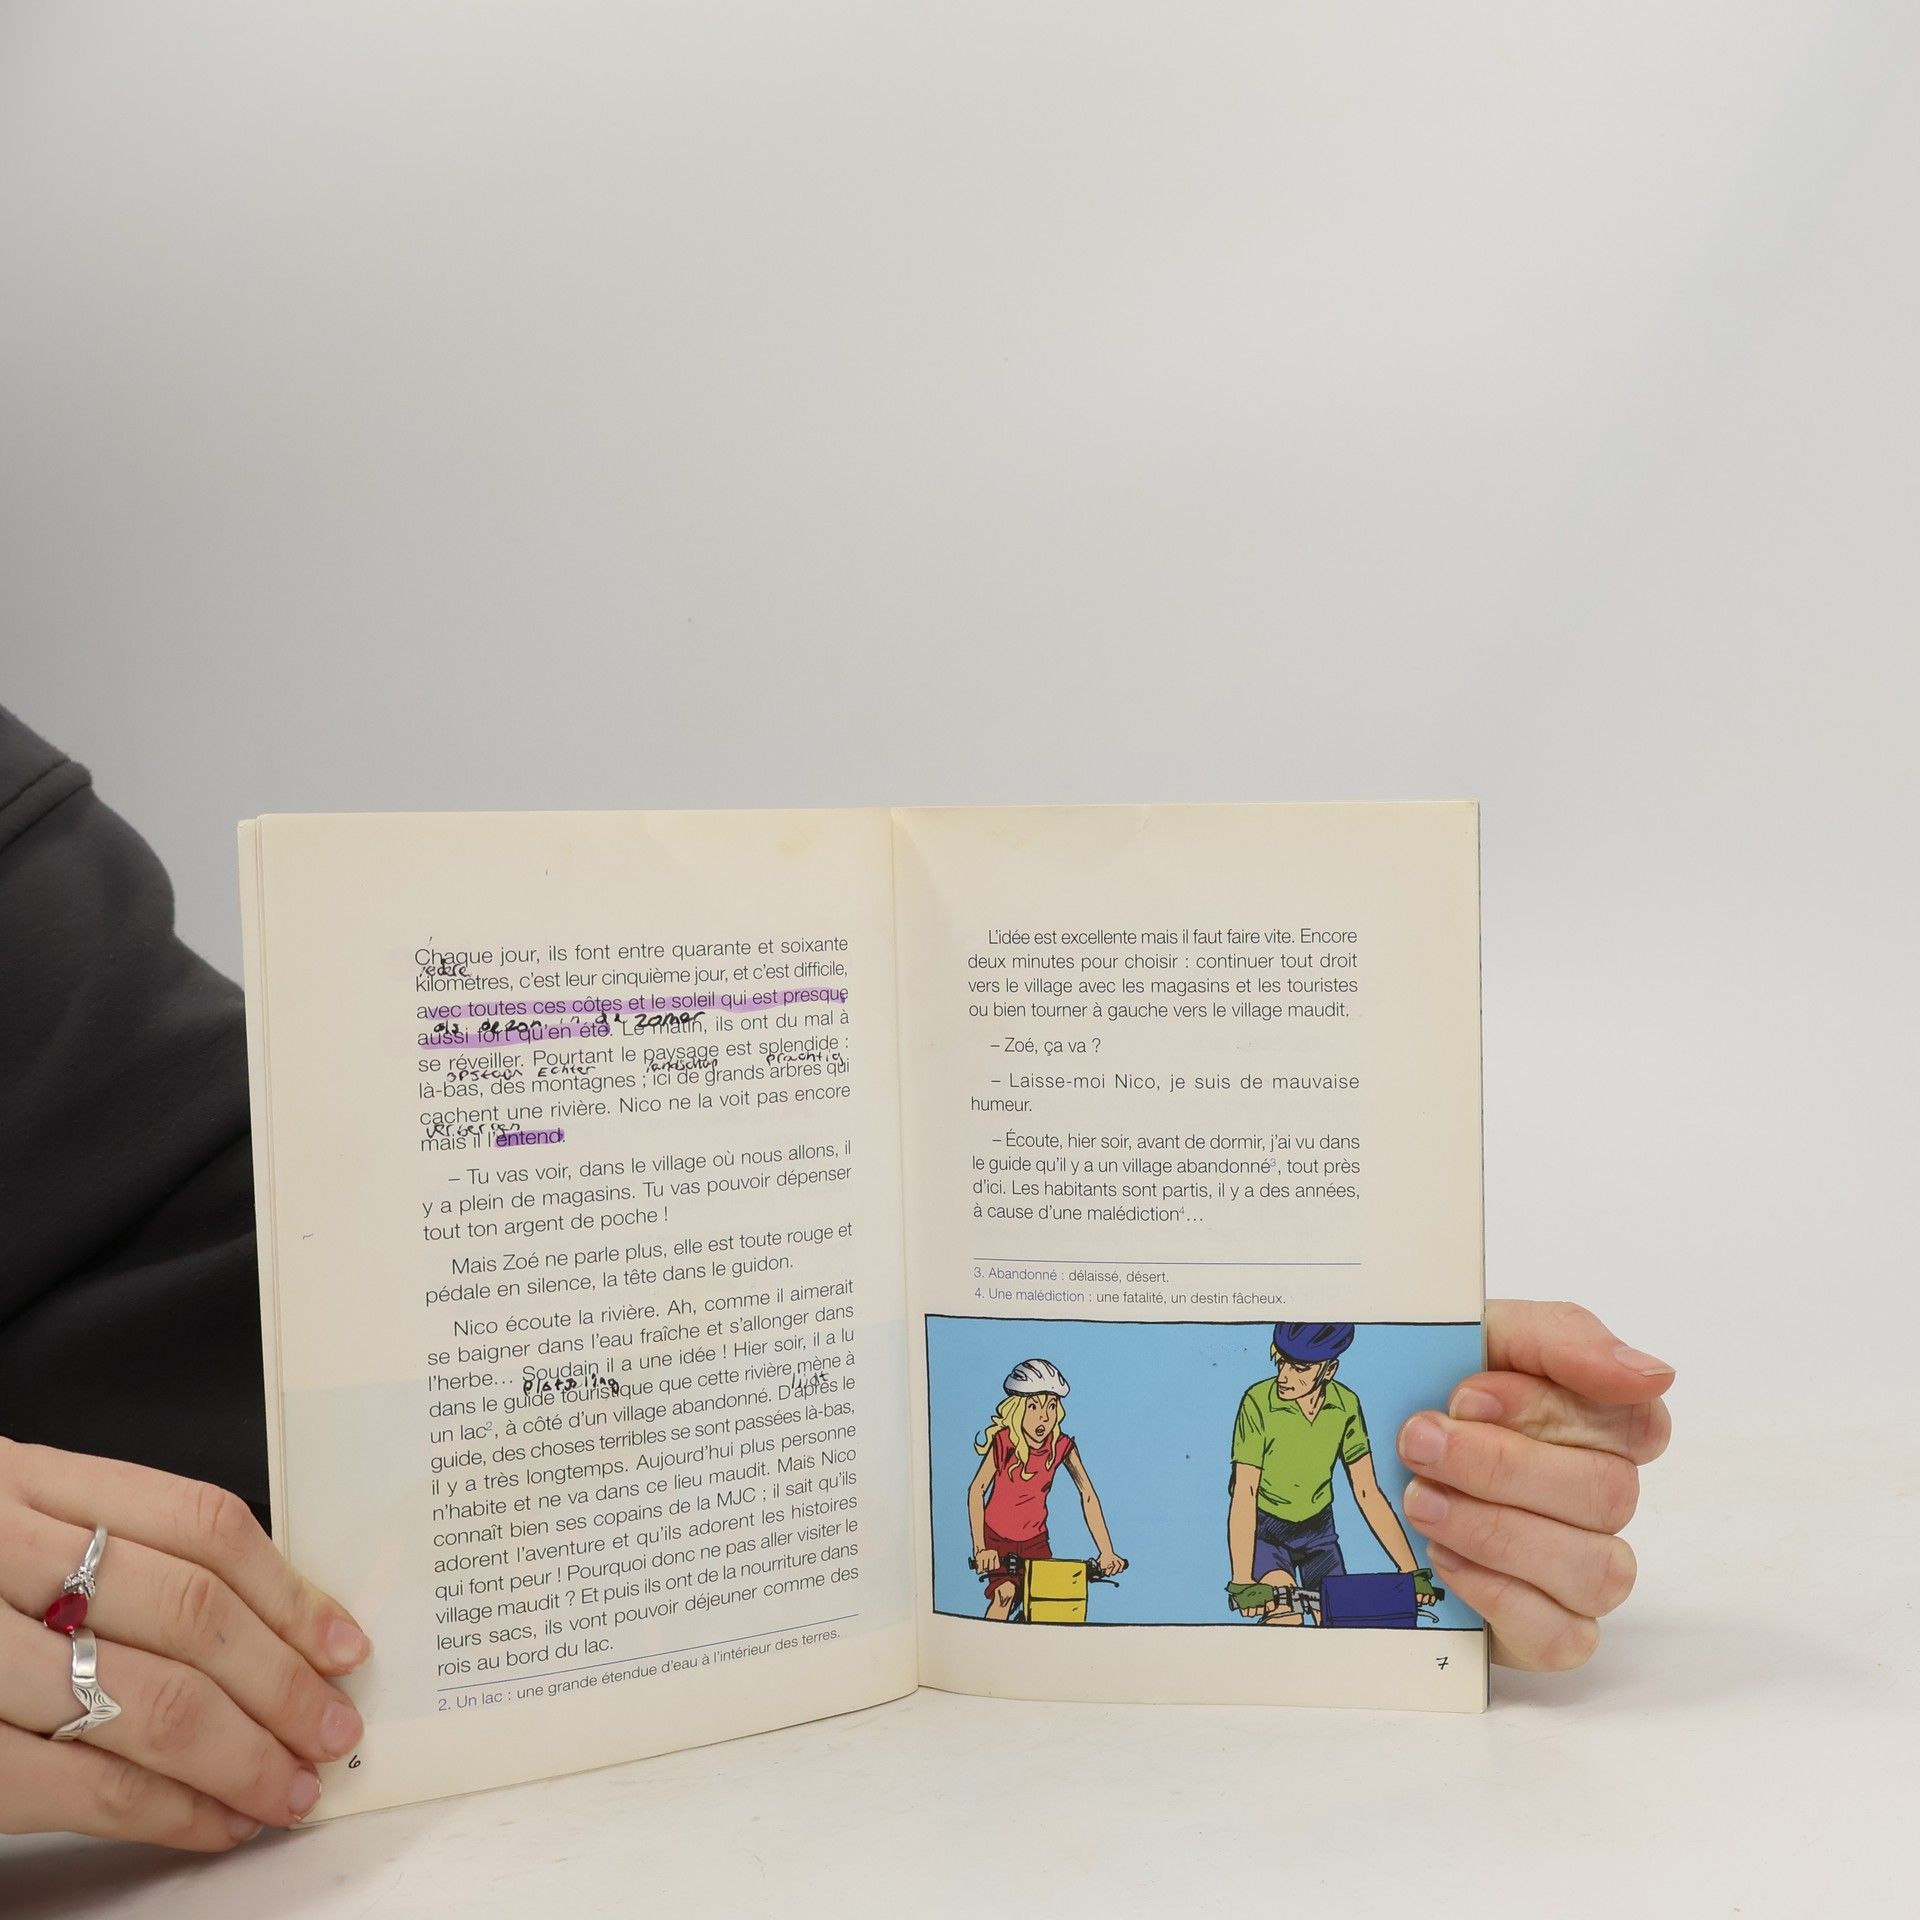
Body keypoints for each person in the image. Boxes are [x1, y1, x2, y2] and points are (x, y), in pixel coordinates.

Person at [0, 705, 1675, 1850]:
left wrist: (1418, 1415)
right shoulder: (1058, 1435)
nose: (1304, 1384)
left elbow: (217, 1245)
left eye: (1319, 1365)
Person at [1227, 1322, 1421, 1621]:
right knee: (1286, 1615)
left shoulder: (1346, 1405)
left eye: (1299, 1369)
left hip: (1319, 1533)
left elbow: (1367, 1492)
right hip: (1268, 1532)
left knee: (1336, 1621)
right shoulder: (1258, 1401)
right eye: (1281, 1363)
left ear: (1329, 1370)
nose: (1284, 1376)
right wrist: (1242, 1580)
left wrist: (1410, 1570)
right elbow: (1245, 1490)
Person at [965, 1359, 1126, 1618]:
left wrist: (1106, 1552)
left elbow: (1087, 1494)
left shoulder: (1061, 1446)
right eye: (1033, 1406)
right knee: (1005, 1595)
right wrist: (980, 1549)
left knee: (1052, 1603)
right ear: (1017, 1409)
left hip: (1035, 1543)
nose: (1044, 1416)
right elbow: (977, 1490)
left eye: (1051, 1406)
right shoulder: (1004, 1442)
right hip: (998, 1541)